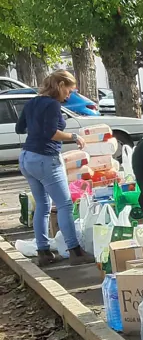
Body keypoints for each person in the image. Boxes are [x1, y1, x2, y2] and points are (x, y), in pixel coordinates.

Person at [15, 69, 89, 266]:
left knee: (43, 205)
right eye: (69, 90)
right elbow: (51, 133)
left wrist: (35, 125)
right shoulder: (53, 105)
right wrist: (74, 137)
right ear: (60, 86)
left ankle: (43, 251)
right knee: (64, 204)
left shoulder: (32, 102)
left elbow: (19, 128)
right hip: (45, 158)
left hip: (26, 158)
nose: (69, 95)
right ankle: (75, 252)